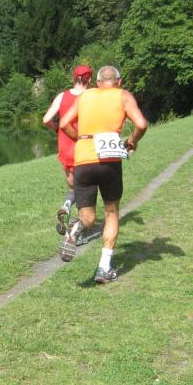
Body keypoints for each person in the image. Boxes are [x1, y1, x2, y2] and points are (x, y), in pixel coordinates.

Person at [58, 66, 149, 283]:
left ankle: (78, 226)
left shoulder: (85, 96)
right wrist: (131, 141)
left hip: (83, 160)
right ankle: (104, 268)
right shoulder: (123, 96)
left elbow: (63, 123)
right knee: (111, 212)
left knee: (88, 217)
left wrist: (82, 139)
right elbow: (141, 124)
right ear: (119, 81)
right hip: (109, 161)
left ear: (97, 83)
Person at [42, 65, 93, 235]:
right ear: (90, 79)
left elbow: (46, 119)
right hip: (85, 147)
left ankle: (66, 205)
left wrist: (57, 129)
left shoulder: (62, 96)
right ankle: (79, 230)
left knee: (74, 188)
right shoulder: (92, 96)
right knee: (85, 192)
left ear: (73, 78)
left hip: (66, 148)